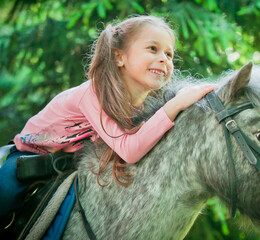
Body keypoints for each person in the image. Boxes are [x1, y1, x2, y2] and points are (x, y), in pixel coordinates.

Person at [0, 15, 215, 220]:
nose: (164, 59)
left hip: (72, 166)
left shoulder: (145, 106)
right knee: (4, 194)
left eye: (169, 55)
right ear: (119, 56)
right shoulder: (93, 93)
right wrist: (176, 105)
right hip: (31, 157)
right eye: (153, 49)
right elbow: (130, 150)